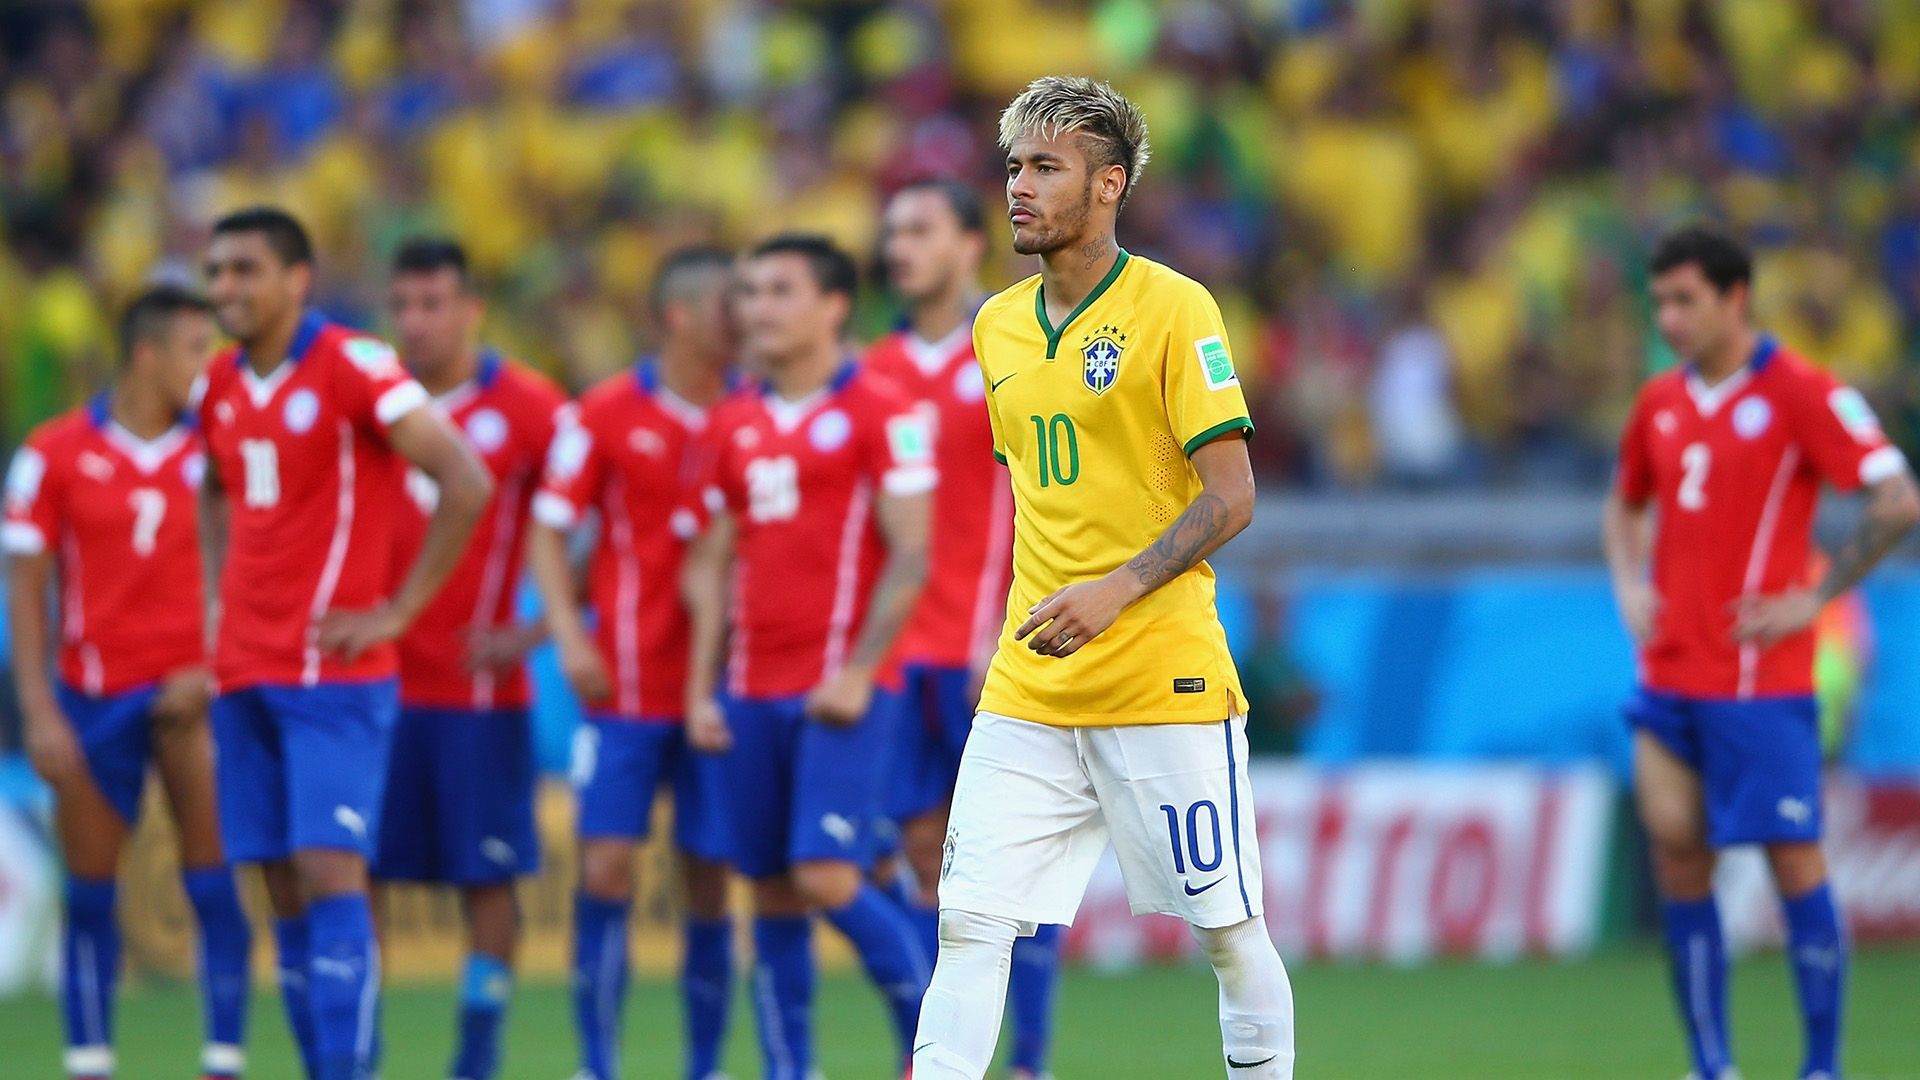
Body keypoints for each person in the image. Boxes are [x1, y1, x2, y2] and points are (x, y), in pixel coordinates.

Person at [911, 77, 1293, 1080]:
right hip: (1029, 684)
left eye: (1047, 168)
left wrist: (1116, 590)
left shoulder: (1174, 307)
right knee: (970, 925)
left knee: (1228, 931)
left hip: (1159, 680)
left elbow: (1232, 495)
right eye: (1013, 169)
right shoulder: (994, 327)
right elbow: (1043, 501)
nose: (1019, 190)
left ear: (1109, 184)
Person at [1603, 225, 1920, 1080]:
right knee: (1677, 856)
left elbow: (1897, 501)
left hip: (1760, 683)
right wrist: (1629, 584)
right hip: (1668, 675)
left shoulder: (1804, 391)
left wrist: (1815, 597)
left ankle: (1821, 1067)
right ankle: (1713, 1066)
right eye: (1659, 301)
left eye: (1684, 300)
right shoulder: (1659, 402)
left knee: (1792, 862)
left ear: (1734, 297)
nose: (1668, 318)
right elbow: (1624, 503)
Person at [195, 206, 493, 1080]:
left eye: (243, 270)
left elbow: (465, 480)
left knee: (331, 876)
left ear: (296, 280)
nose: (224, 289)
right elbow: (214, 488)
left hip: (333, 671)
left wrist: (398, 612)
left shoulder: (355, 365)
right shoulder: (216, 382)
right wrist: (218, 598)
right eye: (215, 272)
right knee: (282, 890)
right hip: (243, 666)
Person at [682, 235, 935, 1080]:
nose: (759, 307)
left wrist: (861, 667)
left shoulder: (883, 409)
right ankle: (791, 1070)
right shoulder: (733, 423)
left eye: (780, 290)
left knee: (826, 873)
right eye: (750, 291)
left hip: (842, 687)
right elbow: (711, 565)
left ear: (834, 305)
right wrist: (700, 692)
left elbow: (911, 552)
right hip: (751, 690)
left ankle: (938, 1048)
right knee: (772, 892)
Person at [5, 286, 253, 1080]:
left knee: (215, 885)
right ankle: (90, 1063)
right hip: (92, 696)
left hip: (193, 696)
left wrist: (213, 666)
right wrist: (40, 710)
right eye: (193, 350)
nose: (207, 368)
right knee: (90, 896)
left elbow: (255, 571)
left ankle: (222, 1062)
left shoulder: (218, 452)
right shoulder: (51, 453)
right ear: (146, 356)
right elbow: (25, 589)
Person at [527, 246, 741, 1080]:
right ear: (683, 315)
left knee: (710, 877)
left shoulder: (752, 415)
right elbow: (549, 532)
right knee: (607, 865)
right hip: (621, 686)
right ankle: (597, 1061)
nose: (748, 312)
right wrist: (569, 638)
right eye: (733, 298)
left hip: (719, 693)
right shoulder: (605, 413)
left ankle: (704, 1063)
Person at [864, 179, 1061, 1079]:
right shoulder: (872, 372)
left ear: (967, 246)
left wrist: (1007, 628)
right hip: (904, 661)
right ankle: (935, 1054)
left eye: (919, 229)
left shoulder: (1015, 349)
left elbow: (1052, 501)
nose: (898, 245)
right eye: (893, 231)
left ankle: (1028, 1059)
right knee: (923, 867)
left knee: (1016, 871)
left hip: (994, 651)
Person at [370, 237, 566, 1080]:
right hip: (371, 687)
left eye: (433, 304)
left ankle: (476, 1057)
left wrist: (542, 626)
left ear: (470, 307)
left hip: (480, 695)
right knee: (356, 878)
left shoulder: (529, 407)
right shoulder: (370, 397)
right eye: (404, 305)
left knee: (485, 884)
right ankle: (357, 1051)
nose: (416, 322)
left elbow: (595, 518)